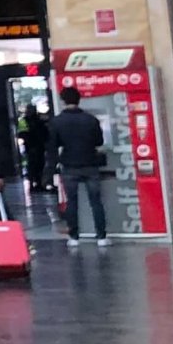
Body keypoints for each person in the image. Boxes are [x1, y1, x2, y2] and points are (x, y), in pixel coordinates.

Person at [50, 86, 111, 244]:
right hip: (91, 163)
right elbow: (99, 141)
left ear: (63, 101)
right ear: (79, 99)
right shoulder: (91, 119)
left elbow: (53, 145)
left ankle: (74, 236)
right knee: (96, 201)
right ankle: (101, 236)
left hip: (69, 164)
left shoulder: (57, 121)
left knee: (72, 202)